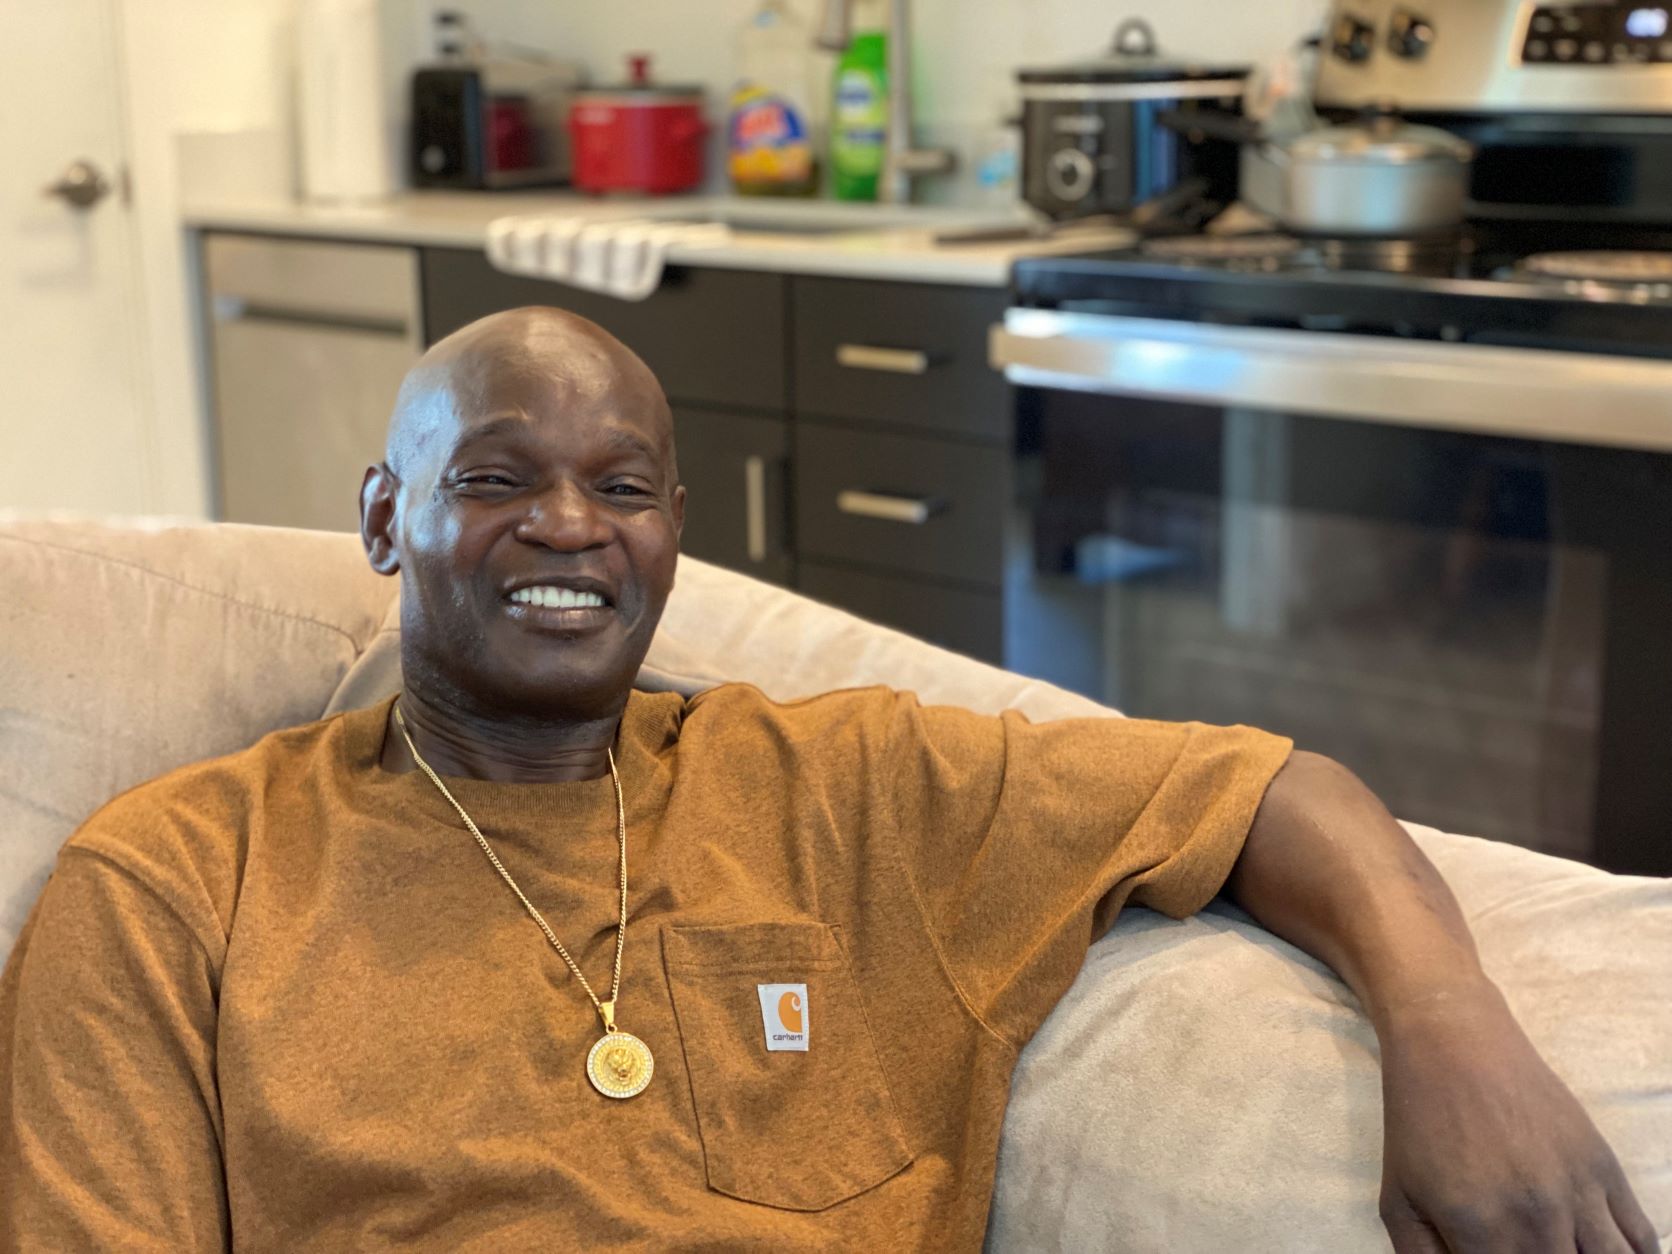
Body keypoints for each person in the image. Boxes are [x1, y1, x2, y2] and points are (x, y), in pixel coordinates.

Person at [0, 307, 1656, 1254]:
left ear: (672, 530)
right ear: (384, 520)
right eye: (495, 477)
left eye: (623, 486)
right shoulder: (179, 878)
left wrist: (1448, 1021)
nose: (571, 526)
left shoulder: (853, 788)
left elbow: (1270, 790)